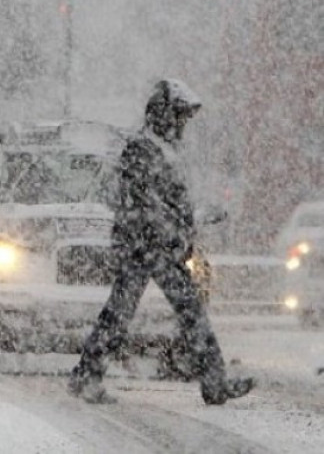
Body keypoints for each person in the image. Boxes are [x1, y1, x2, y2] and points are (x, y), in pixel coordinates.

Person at [68, 79, 255, 405]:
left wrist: (186, 225)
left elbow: (164, 204)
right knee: (186, 313)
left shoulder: (160, 150)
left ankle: (88, 373)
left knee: (124, 312)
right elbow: (147, 204)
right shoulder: (144, 149)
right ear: (165, 116)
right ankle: (213, 383)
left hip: (152, 246)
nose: (183, 125)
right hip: (151, 247)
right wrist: (171, 235)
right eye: (180, 117)